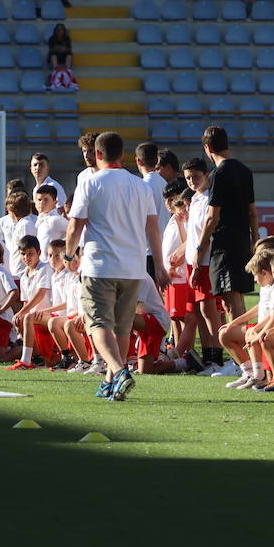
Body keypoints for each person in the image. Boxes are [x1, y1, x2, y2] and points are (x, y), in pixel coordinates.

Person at [65, 132, 168, 401]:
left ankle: (119, 371)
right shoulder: (140, 186)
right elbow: (153, 229)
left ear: (97, 155)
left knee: (96, 323)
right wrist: (159, 266)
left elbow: (75, 225)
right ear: (122, 155)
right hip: (133, 267)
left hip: (99, 264)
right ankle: (111, 382)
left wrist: (68, 255)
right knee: (122, 327)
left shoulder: (90, 182)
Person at [192, 126, 257, 328]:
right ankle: (245, 353)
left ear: (207, 147)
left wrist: (199, 249)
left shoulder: (218, 174)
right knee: (237, 298)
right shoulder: (244, 170)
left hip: (224, 245)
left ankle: (240, 354)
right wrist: (255, 241)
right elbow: (252, 211)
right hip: (242, 241)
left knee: (230, 301)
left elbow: (212, 216)